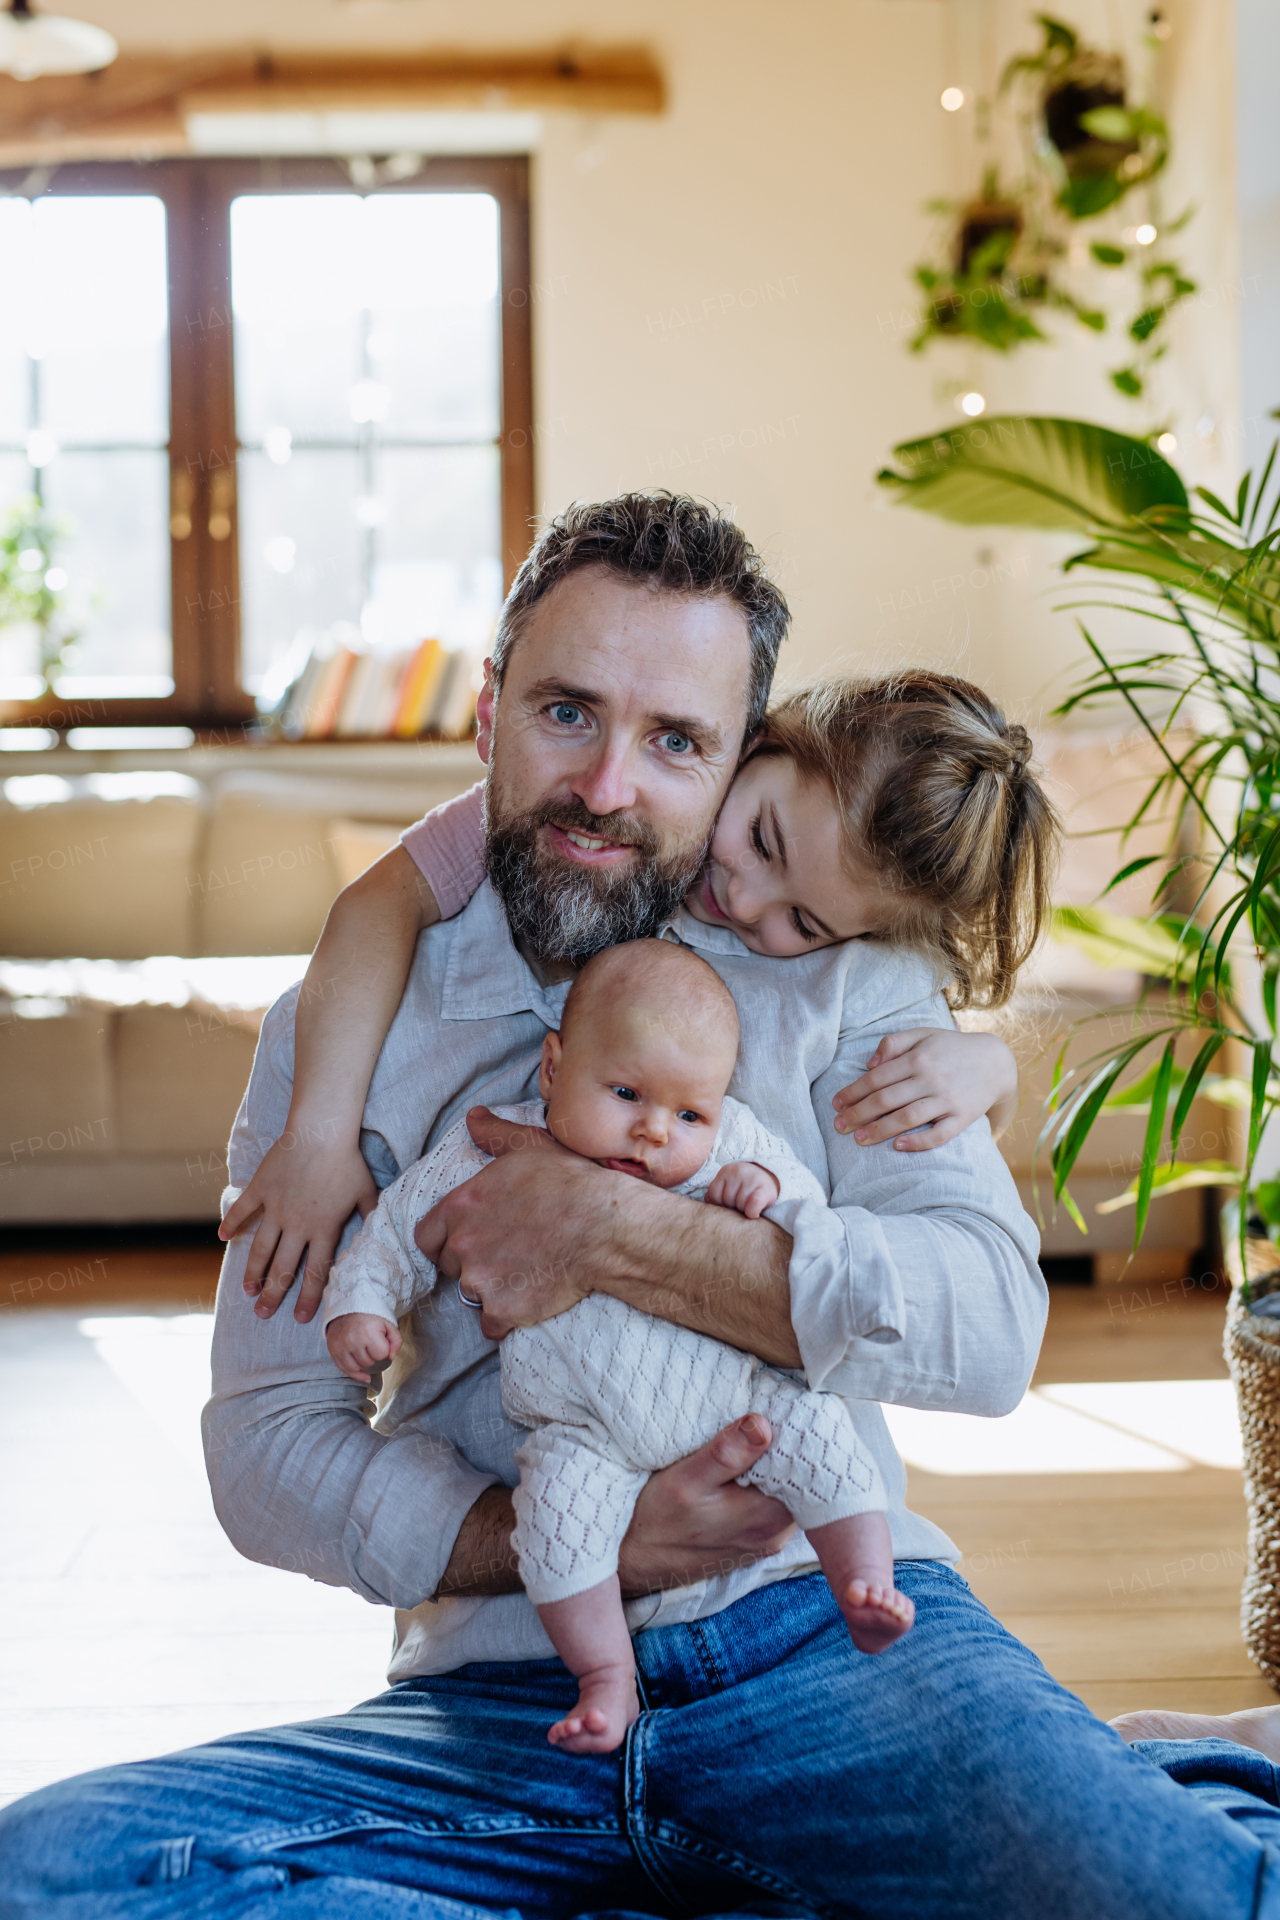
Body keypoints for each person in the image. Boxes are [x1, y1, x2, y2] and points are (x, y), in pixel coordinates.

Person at [7, 492, 1280, 1920]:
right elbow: (264, 1448)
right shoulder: (353, 1025)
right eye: (566, 713)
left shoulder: (845, 968)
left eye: (676, 740)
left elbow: (988, 1337)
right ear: (488, 716)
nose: (611, 787)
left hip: (834, 1652)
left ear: (743, 753)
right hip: (501, 1709)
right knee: (50, 1874)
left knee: (1188, 1901)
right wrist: (559, 1537)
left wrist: (619, 1232)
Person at [317, 938, 912, 1756]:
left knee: (828, 1447)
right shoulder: (486, 1148)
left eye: (688, 1114)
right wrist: (361, 1303)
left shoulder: (733, 1143)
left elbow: (813, 1228)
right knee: (554, 1531)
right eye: (626, 1091)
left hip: (736, 1398)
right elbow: (397, 1231)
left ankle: (863, 1582)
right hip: (579, 1431)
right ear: (554, 1069)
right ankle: (606, 1679)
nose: (654, 1131)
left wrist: (767, 1195)